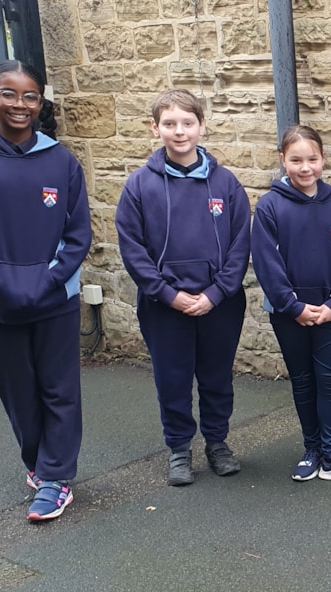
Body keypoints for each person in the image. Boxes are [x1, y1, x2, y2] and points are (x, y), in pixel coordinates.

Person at [0, 60, 91, 521]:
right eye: (9, 94)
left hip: (55, 300)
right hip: (1, 301)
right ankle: (38, 463)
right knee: (18, 392)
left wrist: (49, 280)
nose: (20, 105)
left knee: (59, 390)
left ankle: (56, 478)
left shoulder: (61, 160)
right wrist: (0, 281)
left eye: (30, 96)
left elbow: (78, 232)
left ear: (40, 103)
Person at [116, 89, 251, 486]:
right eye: (170, 124)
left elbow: (241, 243)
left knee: (216, 377)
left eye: (188, 123)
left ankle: (217, 443)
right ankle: (178, 448)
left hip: (219, 304)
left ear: (202, 126)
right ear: (155, 128)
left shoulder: (226, 184)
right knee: (172, 379)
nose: (180, 132)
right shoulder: (140, 186)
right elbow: (132, 248)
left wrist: (214, 294)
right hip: (164, 305)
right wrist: (169, 294)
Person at [251, 125, 331, 482]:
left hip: (329, 314)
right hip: (289, 316)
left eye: (312, 159)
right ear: (282, 160)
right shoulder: (270, 207)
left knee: (330, 380)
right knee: (303, 381)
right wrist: (294, 307)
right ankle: (313, 450)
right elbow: (267, 264)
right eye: (296, 160)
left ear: (323, 160)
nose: (305, 168)